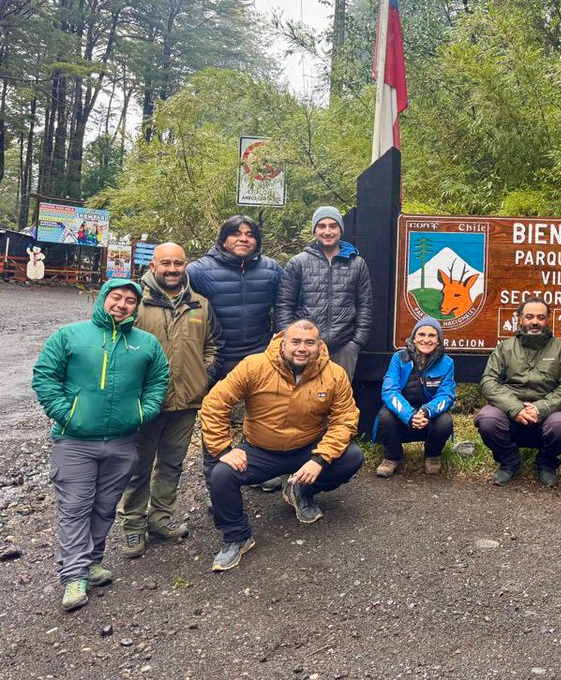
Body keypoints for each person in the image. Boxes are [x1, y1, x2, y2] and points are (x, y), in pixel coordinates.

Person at [31, 279, 170, 611]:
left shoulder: (146, 344)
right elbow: (44, 376)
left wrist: (142, 411)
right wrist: (67, 413)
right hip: (75, 441)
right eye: (116, 297)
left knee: (105, 506)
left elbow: (159, 381)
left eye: (129, 301)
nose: (121, 305)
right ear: (103, 299)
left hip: (122, 442)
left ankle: (91, 561)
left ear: (137, 308)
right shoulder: (69, 336)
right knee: (75, 508)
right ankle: (74, 575)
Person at [199, 320, 364, 572]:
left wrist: (319, 459)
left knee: (351, 457)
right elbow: (214, 404)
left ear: (320, 346)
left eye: (310, 343)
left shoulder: (334, 374)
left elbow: (346, 419)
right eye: (296, 342)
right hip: (260, 449)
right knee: (221, 474)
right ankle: (237, 537)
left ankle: (301, 491)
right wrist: (224, 449)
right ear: (283, 342)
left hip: (307, 449)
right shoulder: (254, 366)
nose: (302, 348)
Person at [118, 243, 221, 559]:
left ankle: (160, 520)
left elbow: (212, 345)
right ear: (153, 266)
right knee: (137, 468)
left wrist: (205, 375)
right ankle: (133, 528)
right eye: (166, 263)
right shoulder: (135, 303)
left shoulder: (200, 304)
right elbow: (115, 347)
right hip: (145, 405)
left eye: (178, 263)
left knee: (172, 465)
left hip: (187, 402)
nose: (172, 269)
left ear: (185, 265)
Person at [475, 297, 561, 487]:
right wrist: (515, 408)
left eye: (540, 317)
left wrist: (540, 408)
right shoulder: (505, 347)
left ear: (547, 320)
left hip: (546, 413)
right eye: (529, 317)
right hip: (509, 411)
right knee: (487, 419)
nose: (535, 322)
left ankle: (546, 464)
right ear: (520, 319)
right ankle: (509, 461)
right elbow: (488, 381)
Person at [278, 206, 373, 381]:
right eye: (321, 226)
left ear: (340, 230)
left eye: (333, 226)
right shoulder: (298, 263)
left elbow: (365, 305)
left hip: (344, 345)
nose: (327, 231)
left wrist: (356, 342)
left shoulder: (357, 264)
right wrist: (289, 340)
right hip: (304, 346)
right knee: (303, 399)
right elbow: (284, 305)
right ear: (315, 230)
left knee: (339, 400)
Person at [187, 214, 283, 379]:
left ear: (257, 241)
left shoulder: (271, 269)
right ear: (223, 240)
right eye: (236, 234)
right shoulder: (198, 271)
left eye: (250, 235)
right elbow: (187, 311)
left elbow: (284, 305)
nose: (243, 239)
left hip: (260, 354)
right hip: (217, 357)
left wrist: (279, 340)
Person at [374, 317, 457, 477]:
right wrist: (410, 415)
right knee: (385, 415)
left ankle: (432, 455)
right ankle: (392, 457)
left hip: (428, 417)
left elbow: (446, 395)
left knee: (445, 420)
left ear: (439, 341)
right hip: (403, 417)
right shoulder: (399, 358)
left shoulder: (447, 363)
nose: (426, 340)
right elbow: (389, 391)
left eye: (432, 336)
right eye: (421, 334)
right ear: (414, 338)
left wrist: (427, 411)